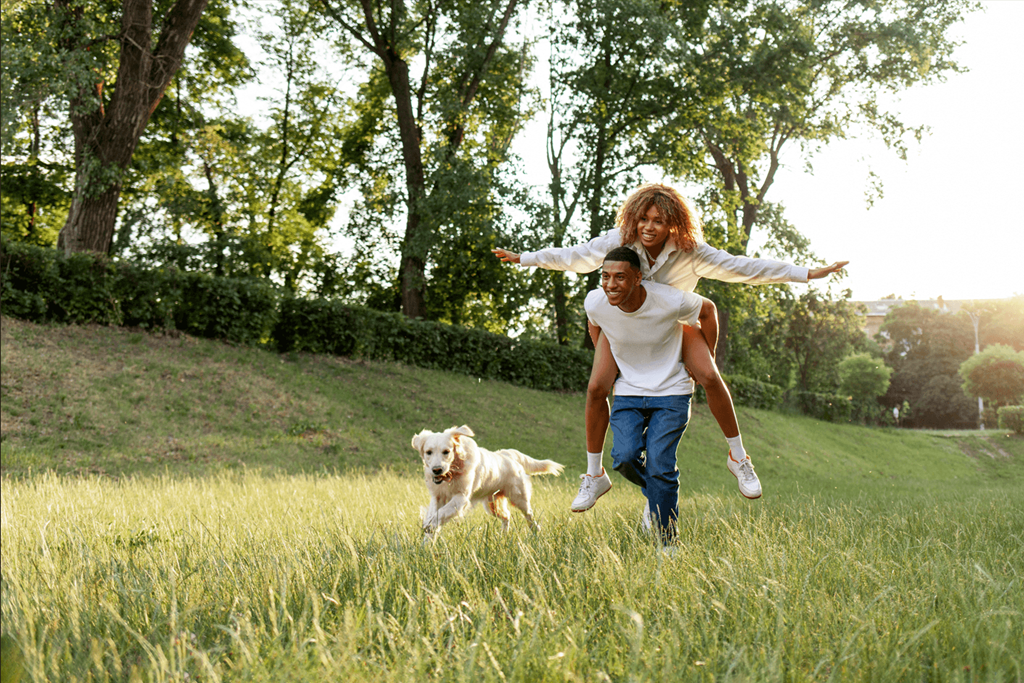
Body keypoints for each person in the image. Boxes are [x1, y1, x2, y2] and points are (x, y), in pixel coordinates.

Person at [493, 183, 848, 510]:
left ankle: (739, 458)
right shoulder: (621, 240)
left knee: (709, 375)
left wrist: (806, 273)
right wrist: (525, 258)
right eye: (644, 218)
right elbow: (577, 257)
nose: (649, 227)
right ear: (634, 218)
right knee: (596, 387)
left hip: (675, 325)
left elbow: (744, 268)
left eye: (659, 221)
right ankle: (594, 475)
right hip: (626, 326)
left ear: (674, 225)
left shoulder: (691, 251)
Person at [586, 246, 712, 542]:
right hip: (629, 391)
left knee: (660, 464)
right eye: (605, 276)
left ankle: (668, 541)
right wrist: (608, 361)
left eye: (619, 277)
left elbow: (708, 310)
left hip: (672, 391)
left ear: (638, 278)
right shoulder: (595, 301)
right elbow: (596, 326)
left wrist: (709, 356)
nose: (610, 284)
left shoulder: (668, 300)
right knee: (623, 457)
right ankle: (657, 492)